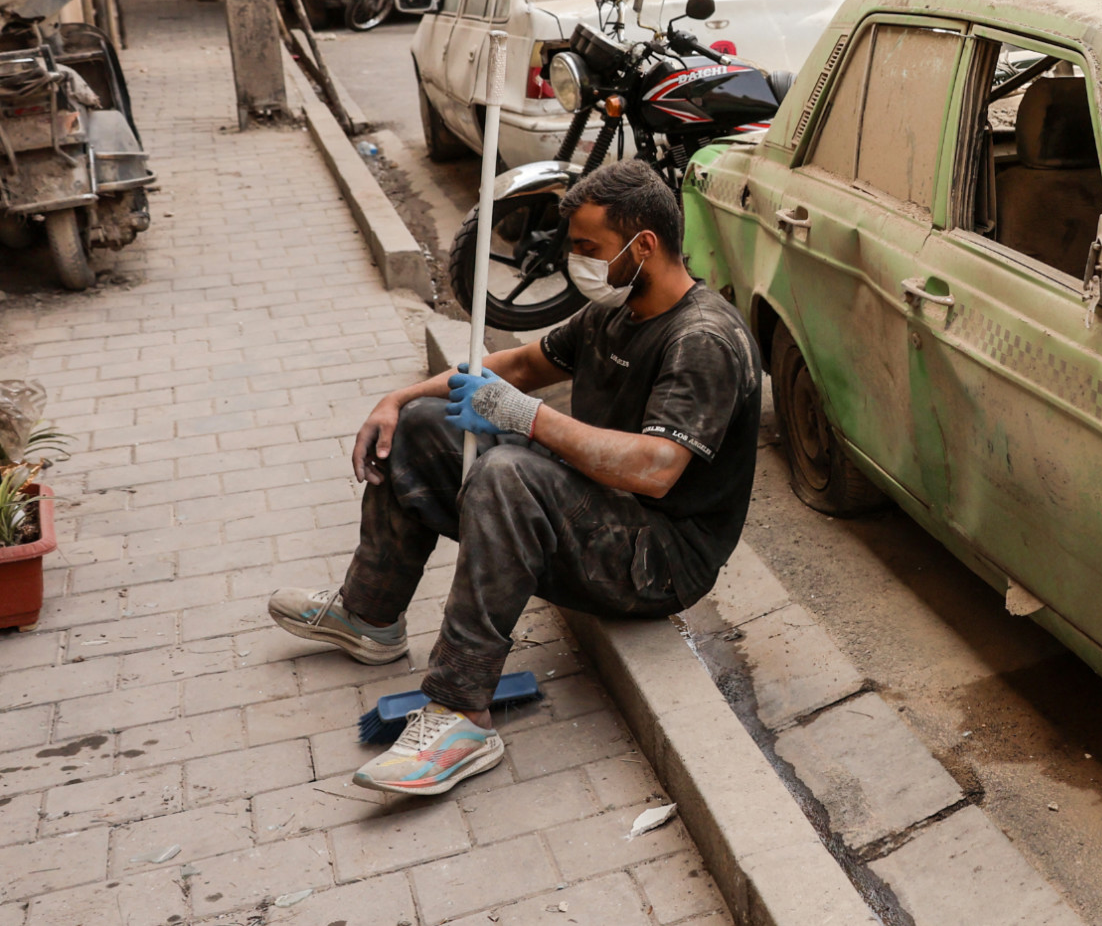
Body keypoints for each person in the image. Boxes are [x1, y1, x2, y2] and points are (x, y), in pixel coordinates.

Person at [267, 160, 761, 795]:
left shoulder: (703, 340)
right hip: (600, 517)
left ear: (643, 246)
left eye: (589, 249)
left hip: (657, 560)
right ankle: (370, 616)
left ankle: (460, 711)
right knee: (420, 426)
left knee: (507, 473)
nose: (576, 262)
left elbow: (656, 469)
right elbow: (517, 368)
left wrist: (527, 421)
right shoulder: (613, 313)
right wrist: (396, 398)